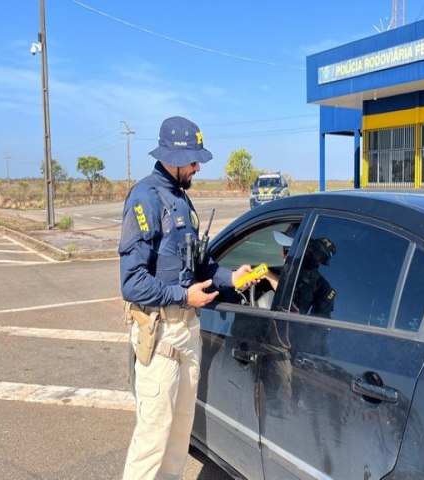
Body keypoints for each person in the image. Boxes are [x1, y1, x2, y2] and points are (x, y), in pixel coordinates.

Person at [118, 116, 253, 480]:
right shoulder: (145, 198)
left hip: (187, 334)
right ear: (172, 158)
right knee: (152, 441)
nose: (197, 167)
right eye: (193, 160)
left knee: (178, 439)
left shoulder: (182, 201)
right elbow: (132, 282)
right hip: (160, 337)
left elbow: (202, 264)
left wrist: (232, 278)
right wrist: (184, 295)